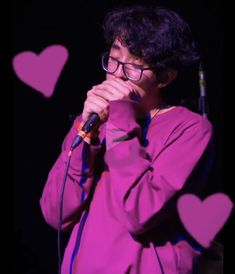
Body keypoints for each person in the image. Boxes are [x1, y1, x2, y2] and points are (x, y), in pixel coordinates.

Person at [40, 5, 214, 274]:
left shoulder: (189, 128)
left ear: (165, 77)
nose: (117, 73)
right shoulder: (93, 122)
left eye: (133, 65)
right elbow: (56, 212)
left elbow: (141, 213)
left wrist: (122, 117)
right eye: (112, 58)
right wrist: (86, 136)